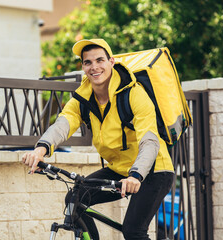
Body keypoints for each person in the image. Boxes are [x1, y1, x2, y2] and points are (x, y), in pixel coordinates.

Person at [22, 39, 174, 240]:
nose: (94, 67)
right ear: (83, 66)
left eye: (100, 60)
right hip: (120, 169)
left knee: (133, 231)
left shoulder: (133, 93)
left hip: (153, 169)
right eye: (88, 62)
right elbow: (63, 124)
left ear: (111, 61)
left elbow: (149, 141)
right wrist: (39, 151)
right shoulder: (83, 98)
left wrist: (136, 176)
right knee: (75, 200)